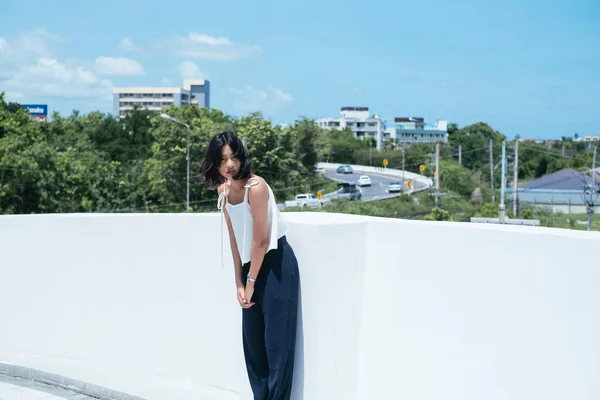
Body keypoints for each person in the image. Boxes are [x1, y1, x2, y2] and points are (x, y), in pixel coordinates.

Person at [199, 131, 300, 400]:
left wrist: (251, 283)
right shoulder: (223, 191)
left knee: (276, 350)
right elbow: (234, 241)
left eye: (233, 157)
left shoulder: (255, 187)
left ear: (241, 156)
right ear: (215, 163)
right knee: (254, 350)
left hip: (276, 267)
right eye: (223, 159)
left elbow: (261, 240)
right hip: (249, 270)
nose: (229, 164)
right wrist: (238, 283)